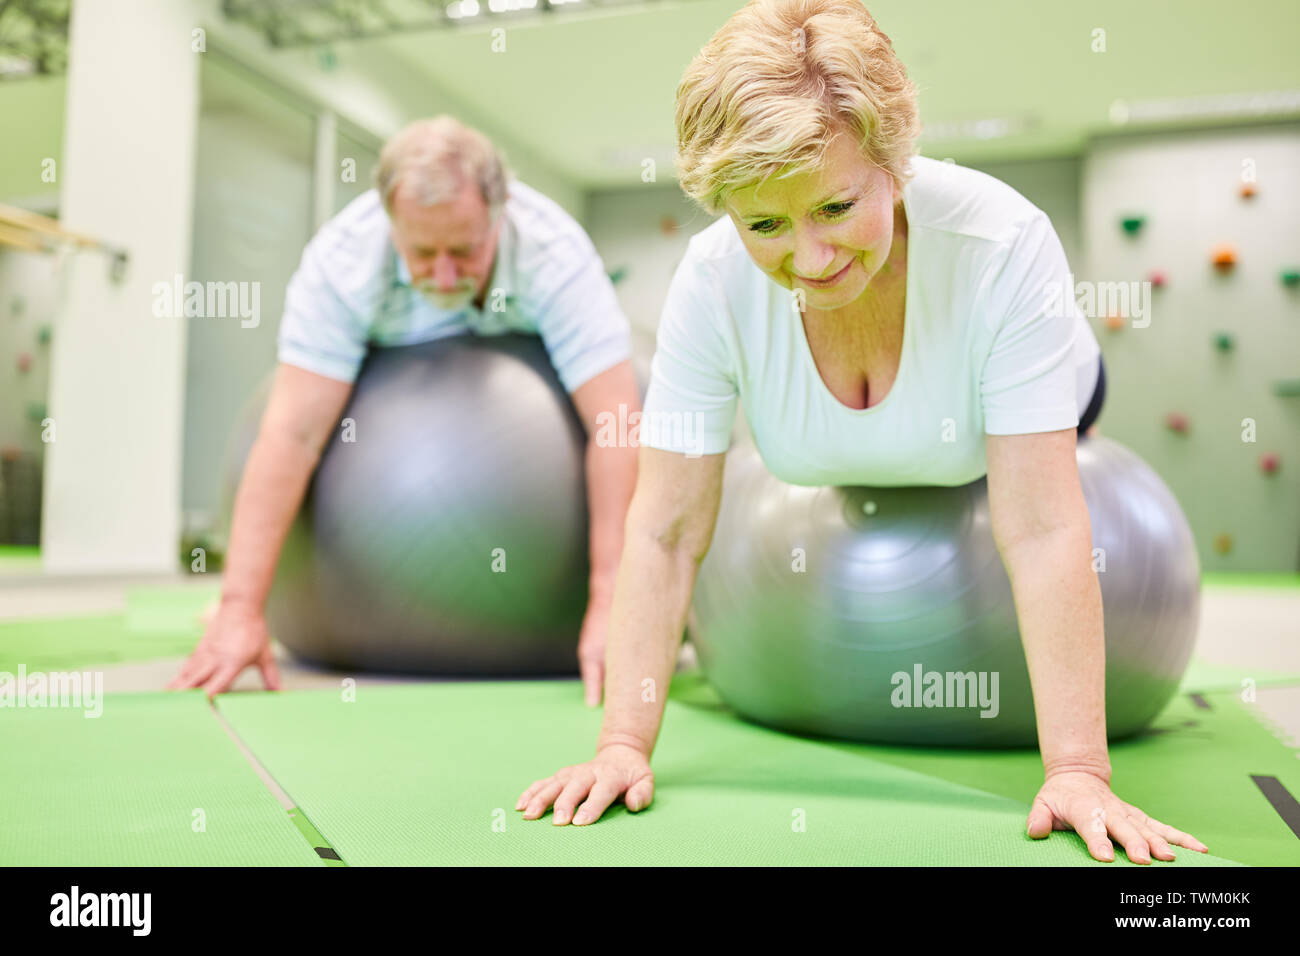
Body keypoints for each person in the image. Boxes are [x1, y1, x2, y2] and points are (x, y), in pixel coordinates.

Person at [516, 0, 1206, 864]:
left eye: (836, 206)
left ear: (895, 160)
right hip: (856, 433)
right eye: (765, 223)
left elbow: (1042, 527)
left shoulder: (1004, 243)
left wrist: (1078, 768)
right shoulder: (711, 284)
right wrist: (622, 742)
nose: (810, 259)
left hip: (1045, 380)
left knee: (1056, 467)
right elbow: (664, 530)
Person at [171, 116, 640, 706]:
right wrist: (240, 607)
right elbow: (292, 434)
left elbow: (615, 426)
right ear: (390, 221)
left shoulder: (553, 251)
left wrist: (612, 607)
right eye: (422, 252)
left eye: (465, 250)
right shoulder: (342, 263)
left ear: (500, 211)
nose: (444, 274)